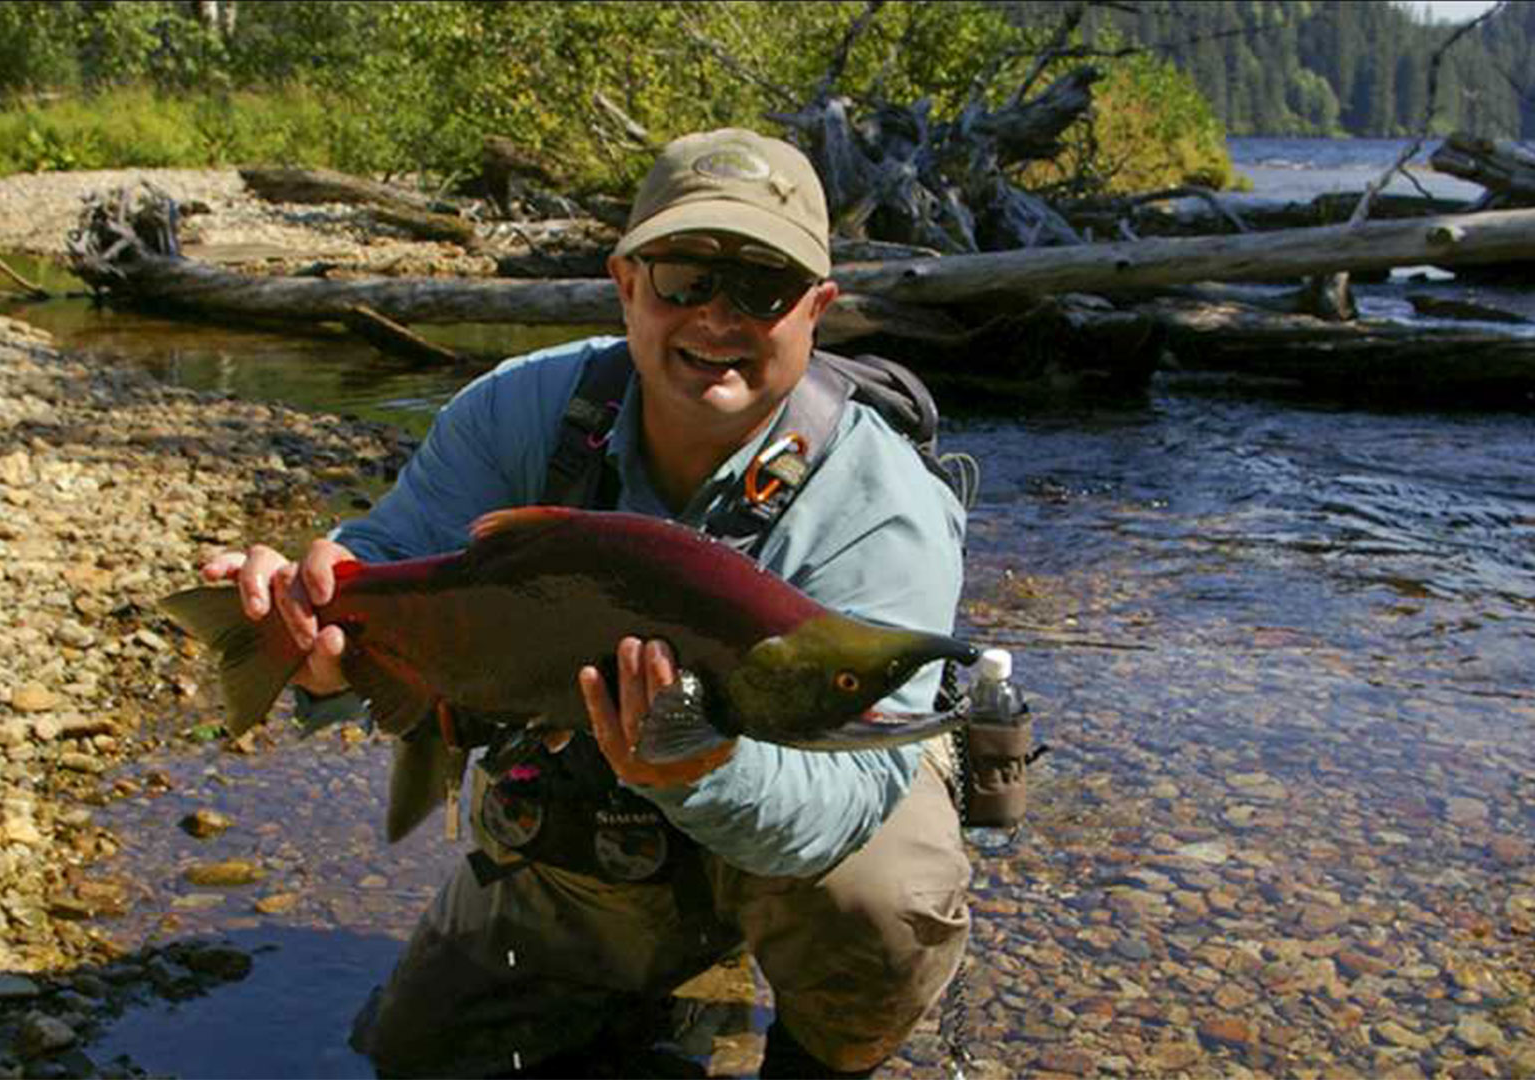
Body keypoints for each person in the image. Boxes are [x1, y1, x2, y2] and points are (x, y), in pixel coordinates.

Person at [203, 128, 971, 1078]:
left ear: (818, 308)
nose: (718, 317)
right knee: (421, 1059)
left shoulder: (883, 502)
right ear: (626, 283)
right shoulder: (520, 409)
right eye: (685, 276)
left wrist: (691, 763)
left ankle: (819, 1055)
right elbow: (392, 561)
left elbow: (845, 806)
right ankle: (642, 970)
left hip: (791, 816)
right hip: (588, 830)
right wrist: (314, 613)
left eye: (763, 290)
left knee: (882, 893)